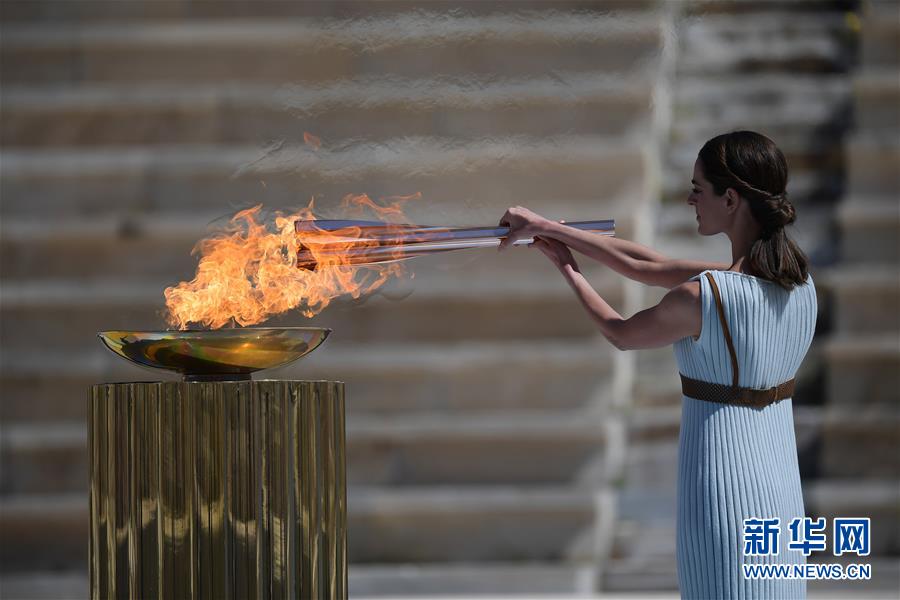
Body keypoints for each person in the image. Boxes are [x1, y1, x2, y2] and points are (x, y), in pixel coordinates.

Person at [499, 130, 816, 599]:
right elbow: (647, 265)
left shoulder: (704, 297)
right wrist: (552, 228)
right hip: (781, 489)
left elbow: (621, 333)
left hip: (723, 489)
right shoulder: (798, 285)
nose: (690, 199)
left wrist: (565, 265)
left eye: (698, 188)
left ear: (730, 199)